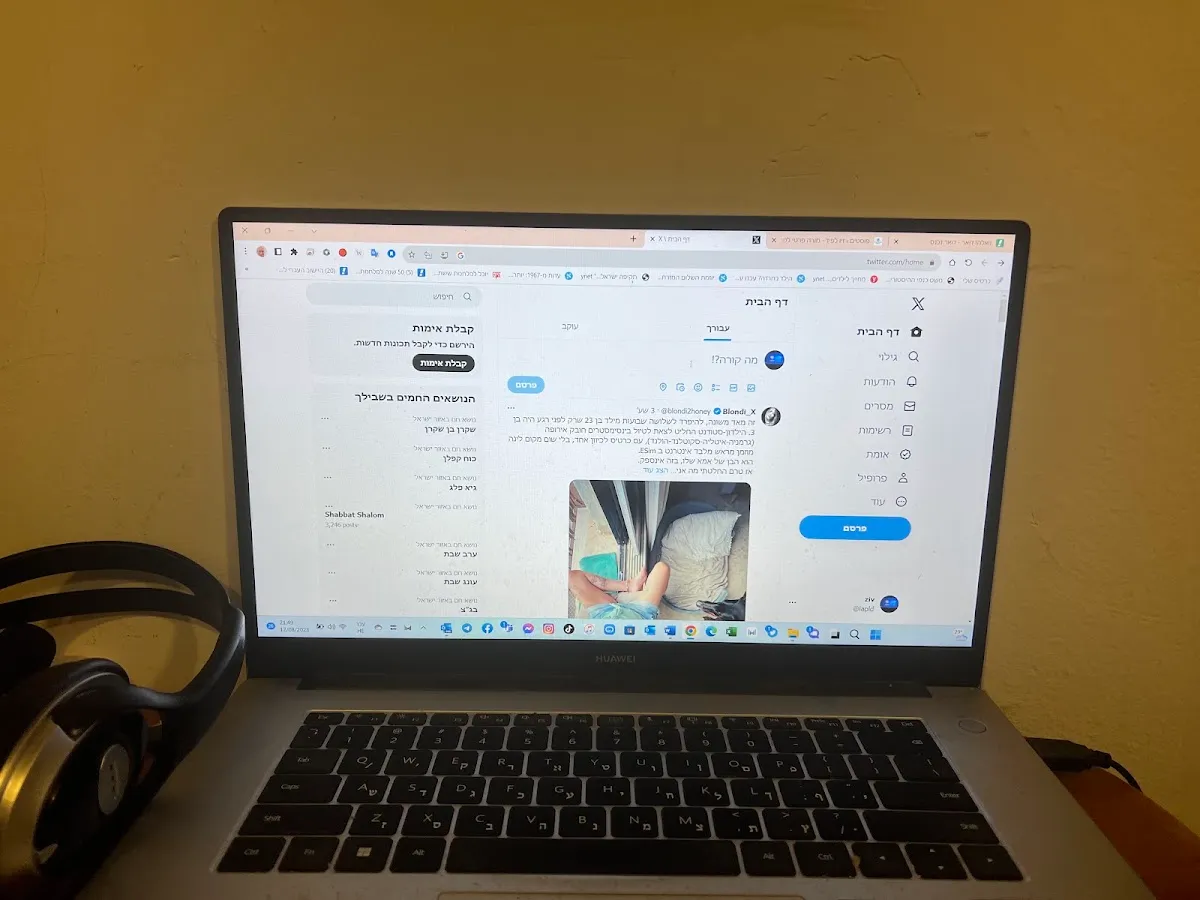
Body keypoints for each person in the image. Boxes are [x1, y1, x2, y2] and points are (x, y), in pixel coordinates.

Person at [568, 562, 671, 620]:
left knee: (571, 577)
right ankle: (630, 589)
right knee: (662, 569)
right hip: (641, 614)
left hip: (605, 613)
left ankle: (628, 585)